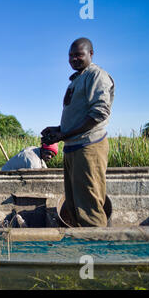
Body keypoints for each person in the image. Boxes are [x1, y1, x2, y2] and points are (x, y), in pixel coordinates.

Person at [41, 37, 115, 227]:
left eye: (79, 55)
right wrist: (59, 130)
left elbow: (98, 114)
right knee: (74, 205)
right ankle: (82, 250)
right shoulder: (77, 80)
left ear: (91, 54)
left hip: (89, 147)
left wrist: (63, 135)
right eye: (71, 55)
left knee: (89, 205)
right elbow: (78, 117)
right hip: (73, 148)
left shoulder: (96, 76)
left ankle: (97, 249)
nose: (74, 59)